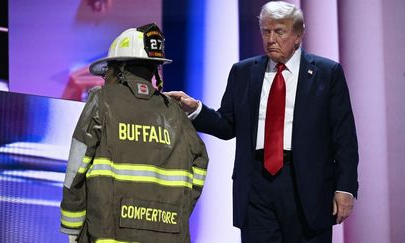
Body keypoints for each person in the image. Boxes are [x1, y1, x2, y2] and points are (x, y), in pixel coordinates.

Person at [166, 1, 358, 242]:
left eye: (279, 31)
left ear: (298, 36)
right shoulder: (243, 72)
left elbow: (344, 137)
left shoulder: (326, 73)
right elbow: (227, 125)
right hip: (256, 185)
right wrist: (196, 110)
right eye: (266, 31)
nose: (271, 39)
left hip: (307, 186)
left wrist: (345, 188)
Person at [60, 23, 208, 243]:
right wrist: (175, 212)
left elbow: (75, 171)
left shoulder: (101, 101)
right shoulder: (176, 113)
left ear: (120, 69)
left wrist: (72, 230)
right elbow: (200, 163)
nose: (104, 78)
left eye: (108, 70)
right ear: (155, 70)